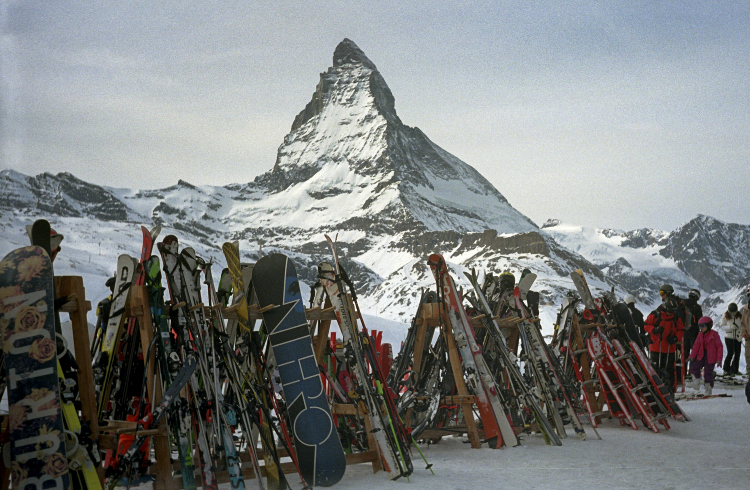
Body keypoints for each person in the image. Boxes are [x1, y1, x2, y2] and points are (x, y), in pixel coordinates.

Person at [644, 296, 684, 391]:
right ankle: (655, 390)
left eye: (673, 311)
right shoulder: (655, 314)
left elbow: (681, 329)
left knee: (670, 371)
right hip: (656, 348)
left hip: (670, 349)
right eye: (670, 311)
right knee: (655, 370)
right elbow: (645, 325)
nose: (671, 313)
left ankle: (670, 390)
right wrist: (654, 329)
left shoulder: (675, 317)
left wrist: (675, 337)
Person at [687, 317, 723, 395]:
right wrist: (692, 356)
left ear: (709, 325)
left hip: (711, 357)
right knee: (694, 368)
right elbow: (696, 346)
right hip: (701, 355)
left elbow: (719, 347)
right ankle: (696, 383)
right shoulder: (700, 335)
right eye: (699, 326)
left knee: (708, 373)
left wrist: (719, 359)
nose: (701, 328)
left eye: (702, 326)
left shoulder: (714, 334)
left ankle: (708, 389)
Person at [721, 303, 743, 376]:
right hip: (729, 337)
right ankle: (726, 369)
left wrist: (740, 335)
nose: (733, 314)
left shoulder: (740, 316)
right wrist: (730, 327)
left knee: (737, 354)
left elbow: (741, 326)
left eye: (734, 312)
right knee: (730, 353)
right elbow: (722, 327)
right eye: (731, 312)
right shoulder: (725, 316)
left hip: (737, 337)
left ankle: (735, 369)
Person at [683, 289, 703, 366]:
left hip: (683, 333)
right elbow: (700, 321)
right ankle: (692, 372)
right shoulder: (697, 307)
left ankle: (682, 372)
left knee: (684, 353)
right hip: (694, 333)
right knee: (694, 352)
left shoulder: (682, 305)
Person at [741, 287, 750, 375]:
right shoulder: (746, 309)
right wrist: (743, 332)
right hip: (748, 339)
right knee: (748, 358)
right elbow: (743, 323)